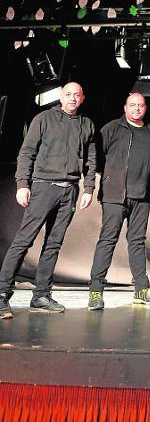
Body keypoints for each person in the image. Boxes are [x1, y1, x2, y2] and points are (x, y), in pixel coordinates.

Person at [0, 82, 96, 319]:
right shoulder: (43, 119)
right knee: (24, 240)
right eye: (68, 95)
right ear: (61, 97)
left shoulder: (87, 124)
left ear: (82, 98)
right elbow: (27, 152)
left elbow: (91, 160)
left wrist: (88, 188)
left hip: (70, 190)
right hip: (44, 187)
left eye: (77, 95)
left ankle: (41, 295)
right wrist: (23, 184)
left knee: (54, 244)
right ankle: (2, 294)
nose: (72, 98)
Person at [87, 93, 150, 310]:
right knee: (107, 241)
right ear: (125, 107)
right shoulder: (112, 128)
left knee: (137, 242)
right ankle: (95, 293)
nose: (137, 109)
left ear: (145, 108)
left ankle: (141, 290)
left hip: (142, 197)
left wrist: (149, 194)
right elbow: (97, 158)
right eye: (132, 105)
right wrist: (108, 179)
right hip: (114, 196)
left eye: (140, 105)